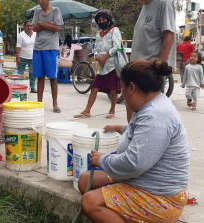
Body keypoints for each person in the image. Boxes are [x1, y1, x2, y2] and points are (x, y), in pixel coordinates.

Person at [78, 60, 189, 223]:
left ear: (131, 87)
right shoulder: (150, 104)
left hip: (160, 196)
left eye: (122, 89)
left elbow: (134, 163)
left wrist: (102, 159)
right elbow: (141, 134)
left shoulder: (156, 116)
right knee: (85, 180)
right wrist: (120, 128)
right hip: (142, 178)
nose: (122, 93)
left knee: (90, 202)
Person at [128, 0, 176, 121]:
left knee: (149, 115)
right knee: (132, 108)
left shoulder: (164, 3)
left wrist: (157, 67)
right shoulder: (145, 5)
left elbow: (169, 37)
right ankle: (132, 136)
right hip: (137, 68)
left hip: (150, 70)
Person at [74, 10, 122, 119]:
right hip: (101, 66)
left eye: (104, 19)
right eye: (99, 20)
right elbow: (95, 48)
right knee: (94, 88)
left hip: (112, 65)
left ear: (109, 20)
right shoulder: (98, 34)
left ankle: (112, 110)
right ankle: (87, 111)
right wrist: (96, 56)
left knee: (113, 90)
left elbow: (117, 46)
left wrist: (105, 56)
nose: (101, 21)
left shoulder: (115, 30)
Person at [32, 0, 63, 113]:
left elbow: (58, 28)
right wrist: (49, 25)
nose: (40, 1)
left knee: (52, 77)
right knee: (39, 77)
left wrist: (42, 24)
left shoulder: (56, 10)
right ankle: (39, 103)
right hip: (38, 47)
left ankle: (55, 104)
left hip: (51, 48)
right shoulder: (37, 11)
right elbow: (34, 28)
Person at [16, 21, 37, 93]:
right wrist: (17, 57)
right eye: (27, 26)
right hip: (22, 57)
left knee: (32, 73)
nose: (29, 27)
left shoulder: (35, 34)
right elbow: (18, 47)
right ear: (24, 27)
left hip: (33, 57)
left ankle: (32, 87)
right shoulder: (21, 35)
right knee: (20, 72)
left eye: (31, 26)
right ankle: (17, 86)